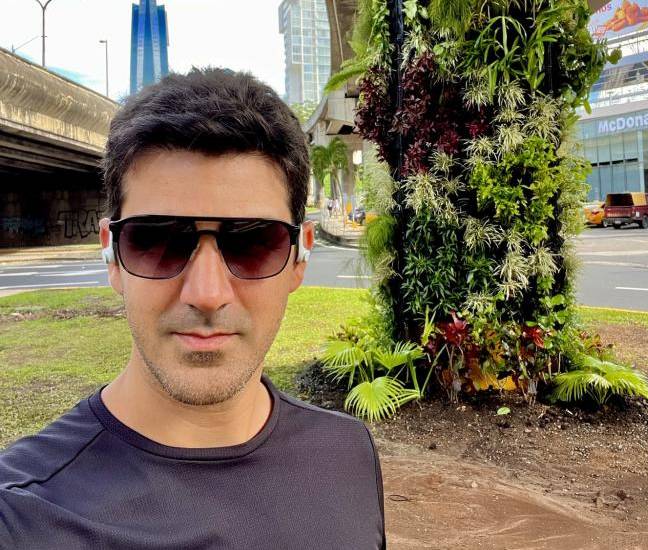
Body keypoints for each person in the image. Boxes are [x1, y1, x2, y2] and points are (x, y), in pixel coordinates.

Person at [0, 68, 385, 549]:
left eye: (253, 243)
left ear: (299, 257)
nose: (206, 293)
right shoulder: (23, 516)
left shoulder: (348, 455)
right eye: (158, 240)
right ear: (112, 255)